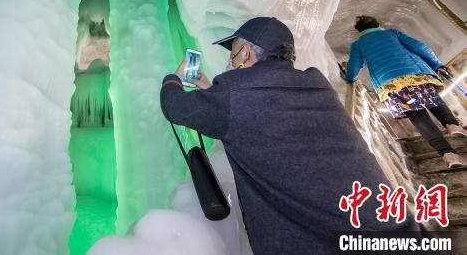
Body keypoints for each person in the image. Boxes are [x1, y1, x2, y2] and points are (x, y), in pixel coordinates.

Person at [160, 17, 421, 255]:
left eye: (234, 52)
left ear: (247, 52)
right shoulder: (317, 85)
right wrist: (210, 90)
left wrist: (173, 79)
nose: (231, 61)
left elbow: (177, 107)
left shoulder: (235, 94)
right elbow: (258, 110)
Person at [345, 15, 465, 169]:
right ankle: (452, 125)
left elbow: (353, 66)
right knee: (433, 100)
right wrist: (436, 65)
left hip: (389, 86)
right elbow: (421, 47)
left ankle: (448, 154)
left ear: (359, 30)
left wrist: (349, 78)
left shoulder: (358, 45)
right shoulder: (392, 33)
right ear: (377, 24)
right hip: (414, 75)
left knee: (418, 117)